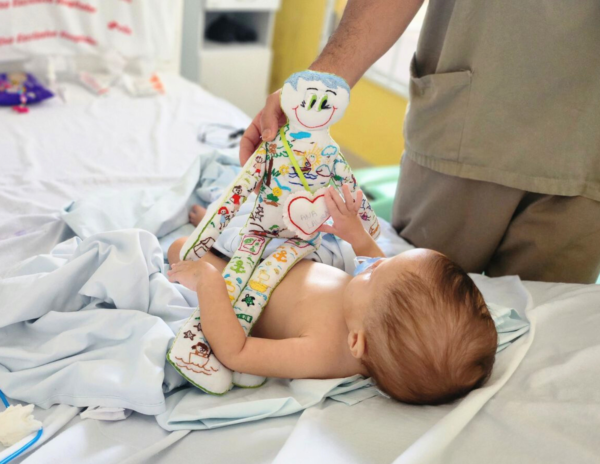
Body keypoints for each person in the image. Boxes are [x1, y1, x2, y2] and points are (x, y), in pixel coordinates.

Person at [239, 0, 600, 284]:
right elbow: (378, 261)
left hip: (587, 165)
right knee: (409, 291)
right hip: (469, 128)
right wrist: (319, 84)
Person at [168, 186, 498, 405]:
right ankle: (220, 226)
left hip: (236, 289)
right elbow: (374, 260)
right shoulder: (371, 317)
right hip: (282, 257)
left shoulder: (322, 352)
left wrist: (209, 282)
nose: (373, 262)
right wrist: (353, 231)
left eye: (371, 275)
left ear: (357, 341)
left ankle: (210, 235)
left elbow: (236, 352)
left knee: (180, 249)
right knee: (263, 213)